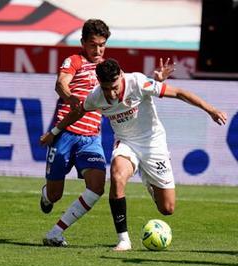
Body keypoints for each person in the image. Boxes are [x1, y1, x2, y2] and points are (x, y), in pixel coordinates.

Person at [41, 58, 227, 251]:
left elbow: (179, 93)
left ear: (121, 75)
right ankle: (123, 240)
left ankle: (149, 180)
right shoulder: (96, 96)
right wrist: (53, 132)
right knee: (116, 175)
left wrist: (211, 110)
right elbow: (77, 113)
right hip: (126, 144)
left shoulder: (138, 82)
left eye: (114, 87)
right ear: (99, 83)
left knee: (167, 208)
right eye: (105, 88)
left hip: (154, 145)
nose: (111, 93)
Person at [40, 19, 174, 247]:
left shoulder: (109, 69)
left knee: (97, 187)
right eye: (93, 45)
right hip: (65, 135)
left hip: (91, 138)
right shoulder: (74, 61)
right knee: (54, 196)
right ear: (83, 43)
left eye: (102, 45)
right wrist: (71, 98)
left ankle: (57, 232)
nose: (98, 50)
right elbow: (60, 84)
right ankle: (46, 194)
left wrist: (156, 81)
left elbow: (130, 87)